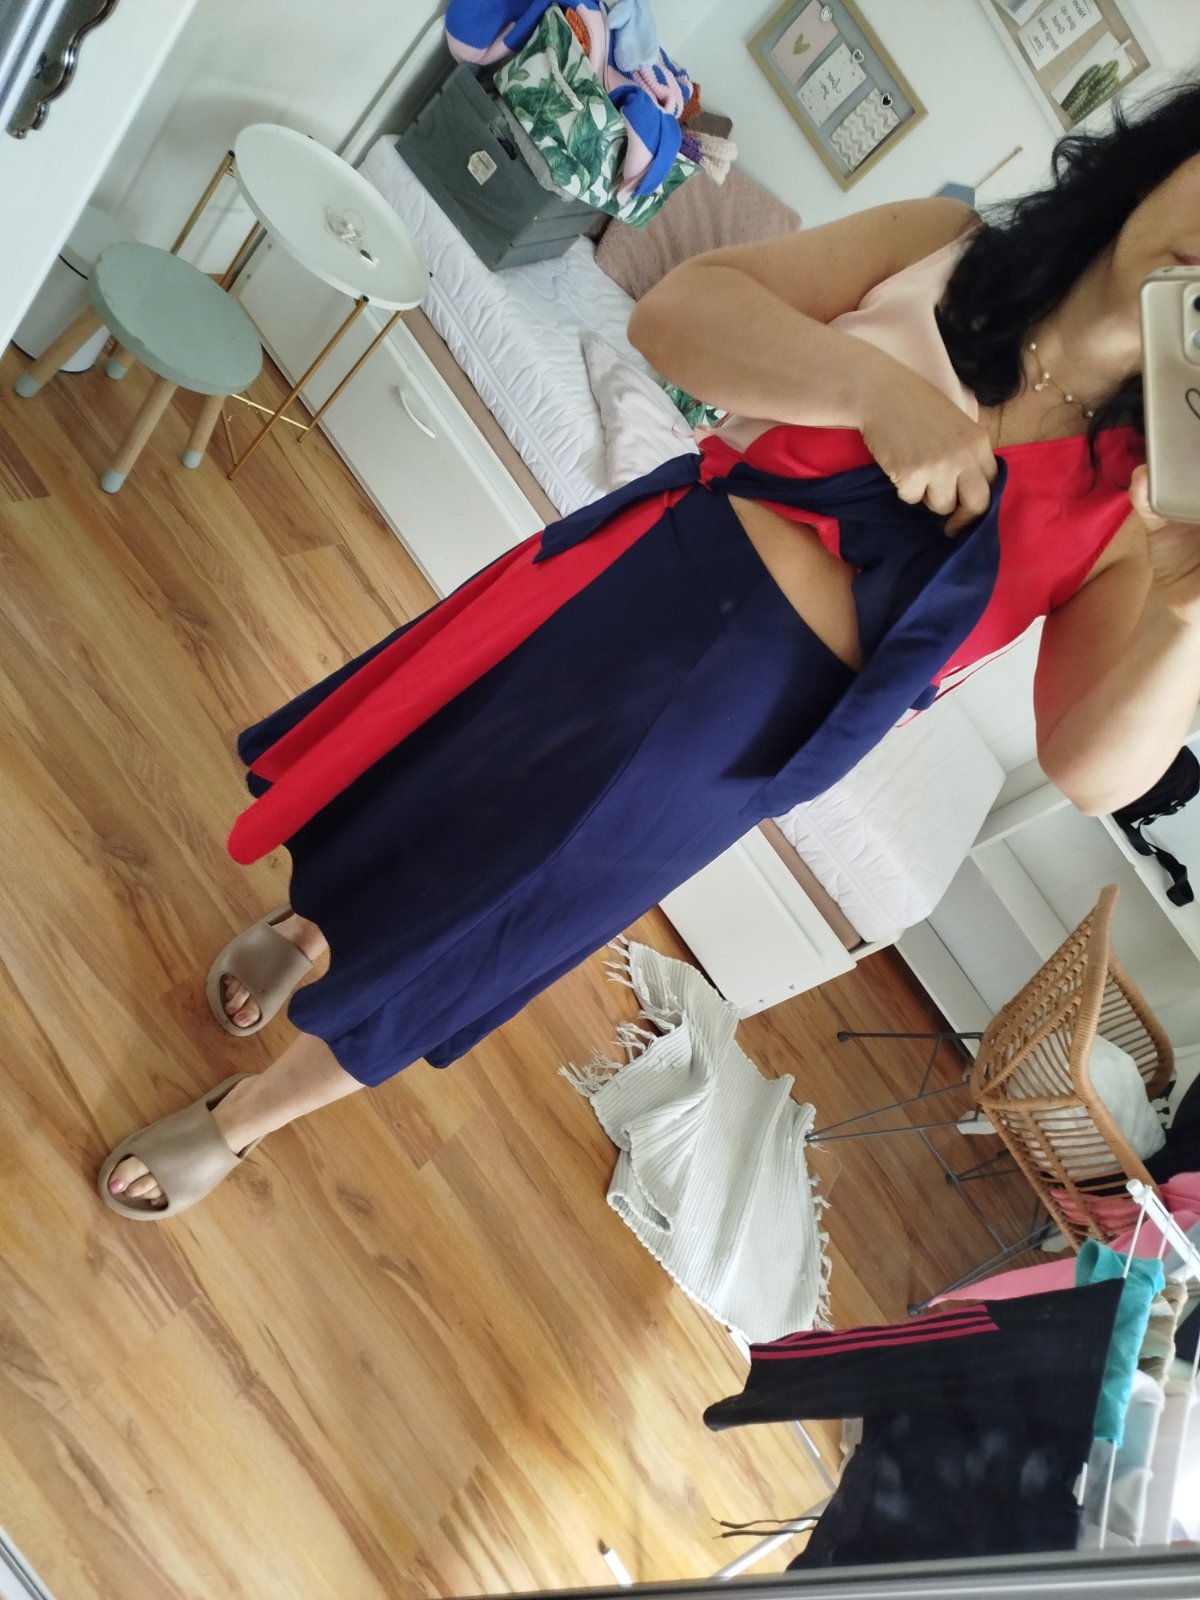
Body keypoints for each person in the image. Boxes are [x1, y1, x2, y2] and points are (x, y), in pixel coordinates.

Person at [100, 78, 1200, 1218]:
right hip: (644, 584)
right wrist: (874, 391)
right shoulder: (945, 247)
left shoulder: (1147, 501)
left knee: (497, 923)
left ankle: (242, 1120)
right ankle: (306, 930)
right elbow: (674, 318)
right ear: (1166, 157)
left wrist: (1185, 610)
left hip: (741, 743)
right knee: (429, 776)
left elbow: (1088, 770)